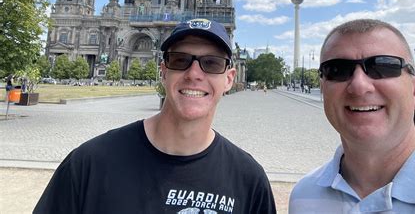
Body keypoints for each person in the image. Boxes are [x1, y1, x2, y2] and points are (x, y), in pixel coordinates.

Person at [35, 18, 276, 214]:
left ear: (229, 79)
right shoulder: (87, 164)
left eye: (211, 63)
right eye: (180, 60)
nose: (194, 74)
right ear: (163, 72)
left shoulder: (250, 181)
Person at [289, 19, 415, 213]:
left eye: (383, 66)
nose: (359, 86)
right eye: (337, 70)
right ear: (323, 90)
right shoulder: (304, 196)